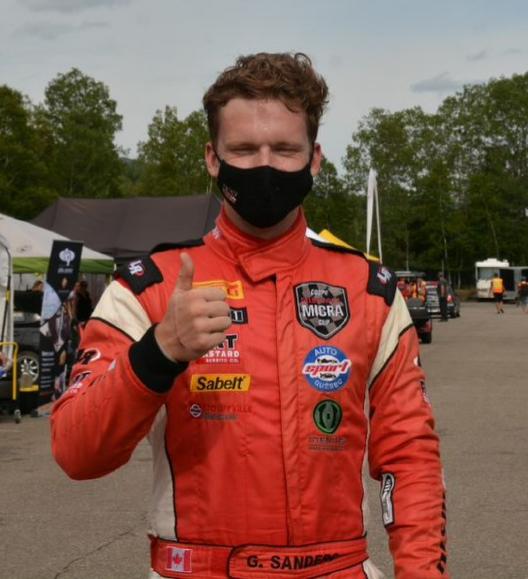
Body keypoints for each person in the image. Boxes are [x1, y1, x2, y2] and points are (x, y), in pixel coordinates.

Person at [50, 52, 447, 579]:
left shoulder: (369, 288)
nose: (265, 165)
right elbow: (78, 454)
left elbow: (410, 456)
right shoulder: (149, 286)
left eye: (284, 149)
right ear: (213, 159)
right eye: (243, 149)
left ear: (315, 159)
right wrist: (158, 352)